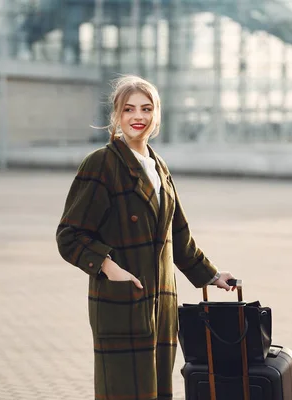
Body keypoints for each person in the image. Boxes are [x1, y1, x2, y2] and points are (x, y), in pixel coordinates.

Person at [56, 75, 236, 400]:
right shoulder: (101, 164)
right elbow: (69, 235)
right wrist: (110, 267)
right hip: (121, 303)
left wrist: (210, 274)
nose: (138, 116)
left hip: (162, 306)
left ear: (156, 115)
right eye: (129, 109)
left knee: (157, 391)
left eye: (146, 108)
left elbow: (178, 235)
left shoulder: (158, 167)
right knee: (123, 392)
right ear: (117, 116)